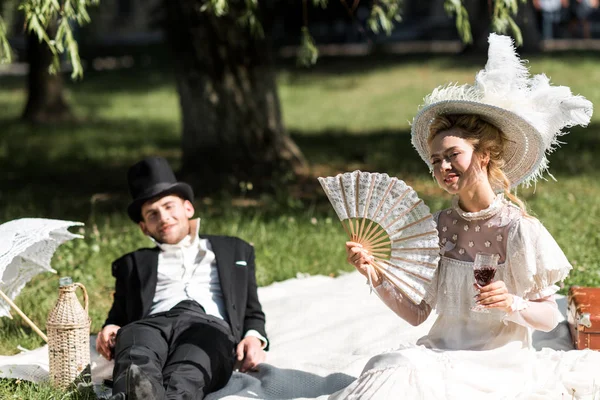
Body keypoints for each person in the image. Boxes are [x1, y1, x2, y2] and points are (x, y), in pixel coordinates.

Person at [332, 34, 600, 399]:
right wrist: (375, 275)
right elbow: (417, 314)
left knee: (399, 373)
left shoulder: (519, 229)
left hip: (499, 362)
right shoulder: (441, 227)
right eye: (435, 161)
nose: (443, 166)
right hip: (441, 349)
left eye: (452, 154)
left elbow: (549, 319)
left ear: (484, 155)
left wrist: (512, 303)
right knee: (387, 366)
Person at [96, 156, 268, 400]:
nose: (163, 217)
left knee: (187, 372)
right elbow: (119, 312)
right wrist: (110, 327)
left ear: (188, 207)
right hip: (150, 323)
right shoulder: (133, 263)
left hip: (207, 324)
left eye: (169, 206)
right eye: (152, 214)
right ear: (144, 227)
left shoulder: (235, 250)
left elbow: (252, 309)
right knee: (135, 359)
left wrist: (253, 337)